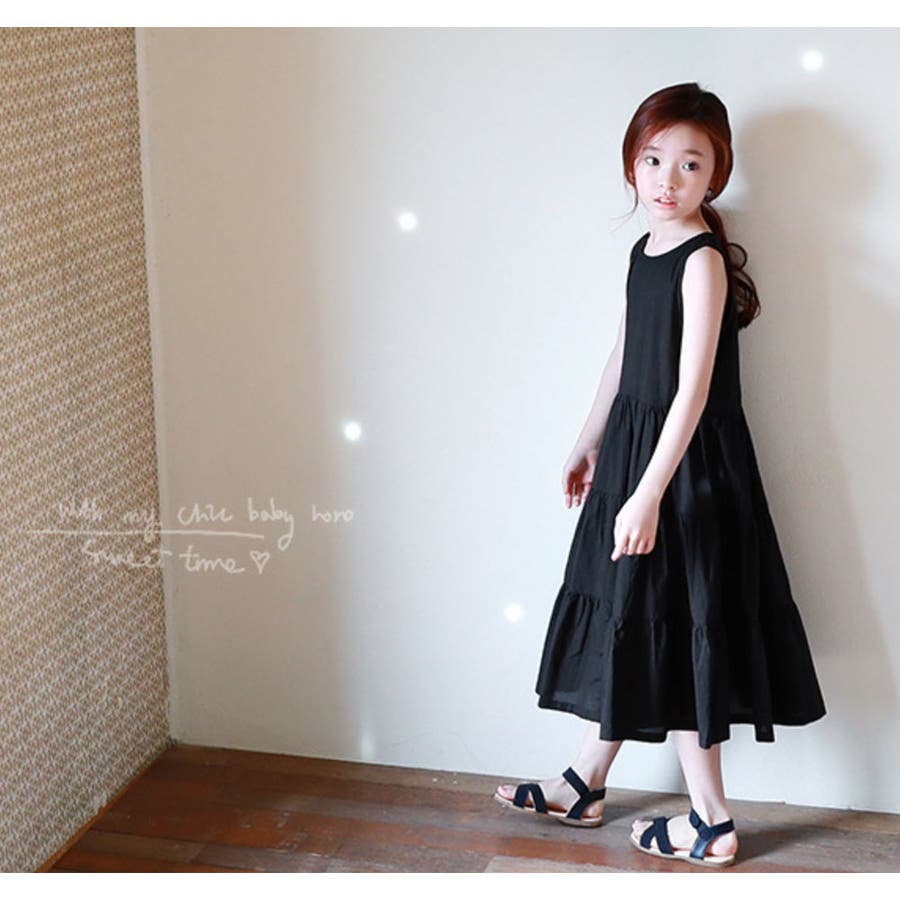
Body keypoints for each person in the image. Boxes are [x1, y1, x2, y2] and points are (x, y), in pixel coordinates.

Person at [494, 82, 826, 868]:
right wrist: (588, 442)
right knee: (631, 611)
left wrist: (647, 492)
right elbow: (624, 353)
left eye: (689, 164)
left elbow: (694, 391)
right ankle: (586, 780)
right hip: (636, 454)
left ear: (716, 176)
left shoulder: (702, 260)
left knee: (676, 625)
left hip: (685, 469)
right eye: (653, 160)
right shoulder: (645, 250)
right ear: (630, 165)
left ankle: (710, 820)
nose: (667, 180)